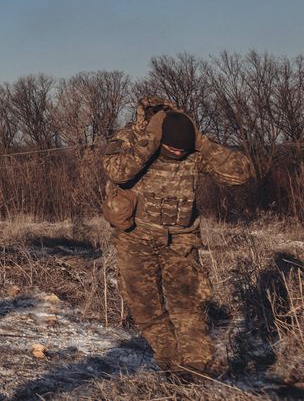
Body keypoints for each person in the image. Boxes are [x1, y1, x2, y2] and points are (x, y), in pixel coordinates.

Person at [102, 96, 252, 378]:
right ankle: (170, 361)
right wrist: (149, 143)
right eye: (172, 148)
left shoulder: (193, 146)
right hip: (136, 237)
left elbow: (241, 173)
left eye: (183, 150)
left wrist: (202, 142)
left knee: (187, 303)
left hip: (181, 239)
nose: (179, 153)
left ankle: (196, 367)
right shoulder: (132, 138)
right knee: (144, 305)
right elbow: (117, 172)